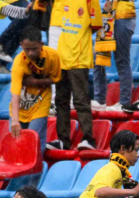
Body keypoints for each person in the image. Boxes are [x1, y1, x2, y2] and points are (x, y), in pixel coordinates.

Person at [45, 0, 103, 151]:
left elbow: (96, 24)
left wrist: (78, 40)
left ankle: (88, 139)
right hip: (62, 56)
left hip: (79, 57)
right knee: (61, 99)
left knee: (80, 99)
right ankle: (63, 140)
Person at [9, 26, 61, 154]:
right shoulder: (19, 62)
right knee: (15, 140)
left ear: (41, 44)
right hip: (22, 104)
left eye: (34, 49)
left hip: (41, 101)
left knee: (34, 139)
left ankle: (36, 170)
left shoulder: (53, 56)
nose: (31, 53)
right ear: (21, 46)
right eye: (27, 49)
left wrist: (34, 82)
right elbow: (15, 94)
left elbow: (56, 79)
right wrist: (15, 121)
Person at [91, 0, 137, 112]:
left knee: (122, 60)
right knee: (98, 56)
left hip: (123, 16)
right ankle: (100, 100)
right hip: (109, 14)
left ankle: (124, 102)